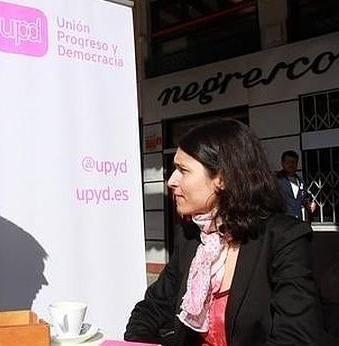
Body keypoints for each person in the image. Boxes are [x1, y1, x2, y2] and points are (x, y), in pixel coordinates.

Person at [125, 119, 322, 346]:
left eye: (183, 170)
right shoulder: (191, 236)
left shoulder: (284, 239)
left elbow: (295, 337)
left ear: (222, 178)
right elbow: (152, 308)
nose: (171, 181)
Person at [275, 150, 317, 220]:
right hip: (283, 221)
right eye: (288, 162)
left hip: (297, 221)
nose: (291, 165)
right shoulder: (276, 180)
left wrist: (309, 204)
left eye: (294, 162)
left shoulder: (301, 181)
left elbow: (304, 199)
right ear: (282, 163)